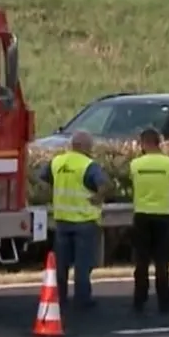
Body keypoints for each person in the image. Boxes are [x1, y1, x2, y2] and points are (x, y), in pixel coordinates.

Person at [35, 131, 108, 309]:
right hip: (84, 221)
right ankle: (82, 299)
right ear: (84, 146)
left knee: (61, 264)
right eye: (90, 146)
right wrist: (98, 197)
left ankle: (59, 297)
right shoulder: (88, 165)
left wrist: (50, 190)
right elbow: (104, 185)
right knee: (83, 264)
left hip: (62, 221)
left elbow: (41, 176)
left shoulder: (58, 162)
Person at [129, 128, 169, 315]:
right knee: (162, 262)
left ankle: (139, 301)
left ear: (143, 143)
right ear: (159, 142)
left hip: (142, 215)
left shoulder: (135, 164)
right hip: (163, 215)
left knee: (141, 262)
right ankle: (164, 303)